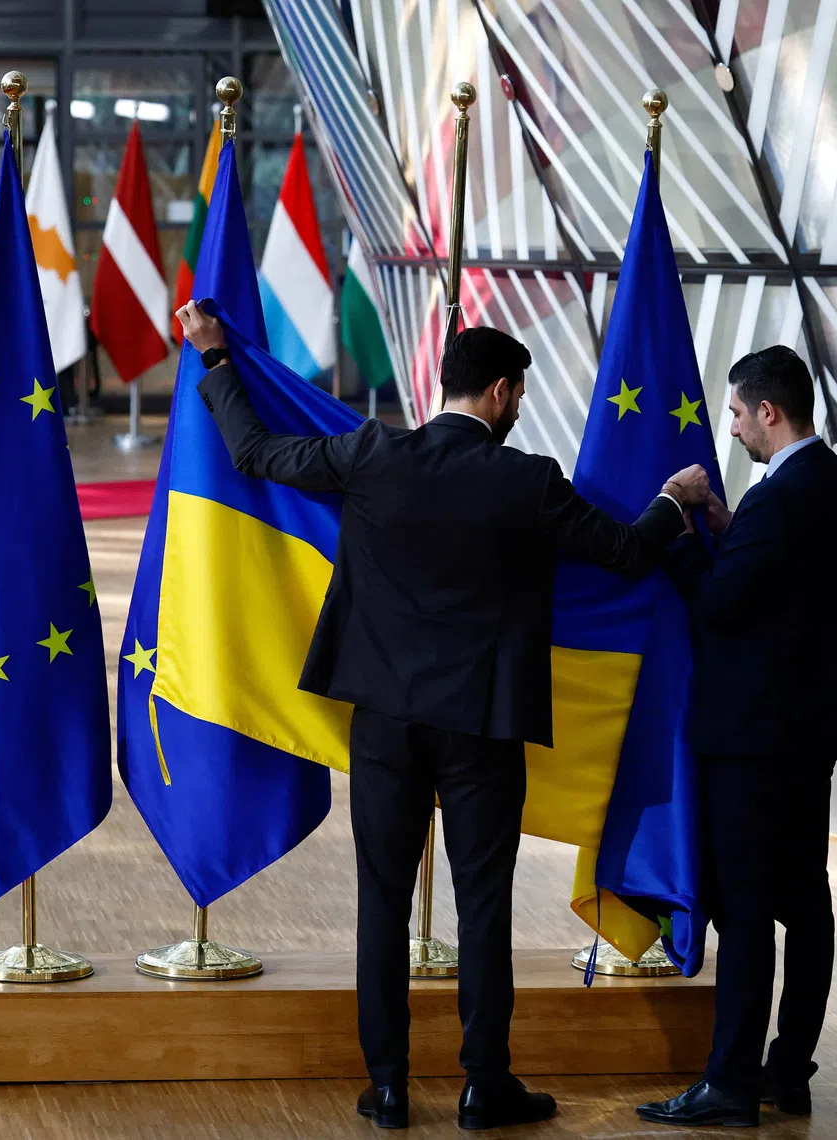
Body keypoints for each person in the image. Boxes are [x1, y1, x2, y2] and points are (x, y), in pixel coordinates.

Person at [177, 300, 711, 1131]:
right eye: (520, 395)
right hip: (482, 727)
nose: (521, 408)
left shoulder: (370, 453)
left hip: (385, 723)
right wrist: (673, 500)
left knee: (382, 902)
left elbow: (251, 453)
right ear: (500, 392)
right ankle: (482, 1085)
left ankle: (387, 1085)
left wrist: (216, 361)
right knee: (483, 905)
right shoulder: (525, 479)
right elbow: (626, 553)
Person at [637, 345, 837, 1129]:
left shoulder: (781, 498)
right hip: (808, 729)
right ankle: (787, 1071)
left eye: (736, 413)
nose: (730, 429)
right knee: (806, 904)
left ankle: (730, 1083)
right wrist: (731, 527)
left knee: (744, 911)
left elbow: (720, 607)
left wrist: (673, 521)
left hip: (750, 739)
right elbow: (785, 579)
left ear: (769, 411)